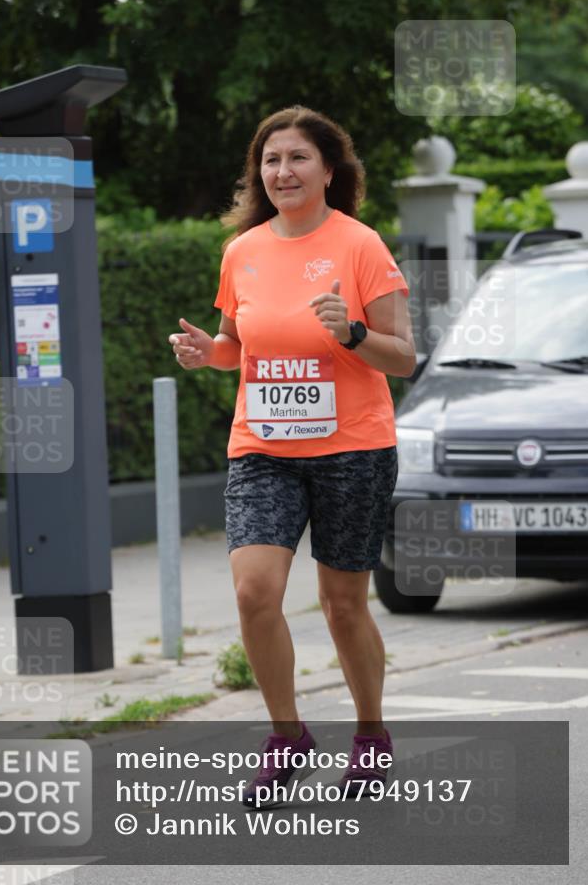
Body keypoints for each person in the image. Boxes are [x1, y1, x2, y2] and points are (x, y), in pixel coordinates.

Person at [168, 105, 416, 808]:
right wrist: (204, 354)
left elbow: (401, 357)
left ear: (328, 170)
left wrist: (353, 331)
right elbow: (233, 347)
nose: (283, 171)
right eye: (271, 160)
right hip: (263, 448)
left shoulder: (359, 245)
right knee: (253, 593)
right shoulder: (242, 251)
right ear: (259, 174)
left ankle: (370, 735)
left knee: (341, 605)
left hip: (353, 447)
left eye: (298, 158)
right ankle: (287, 735)